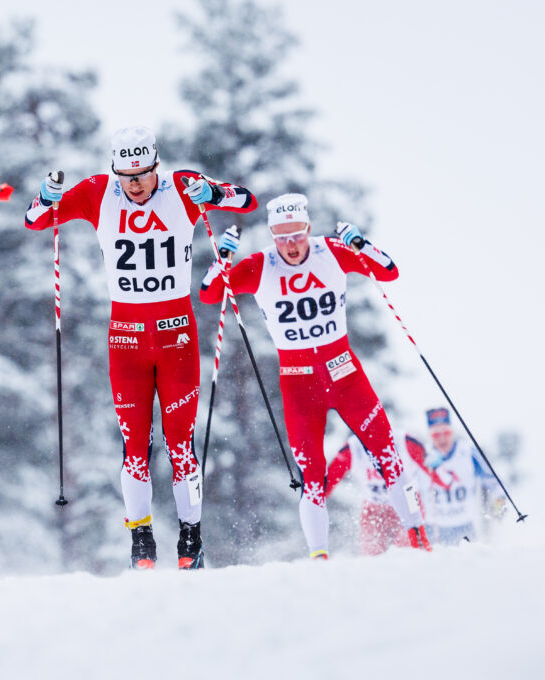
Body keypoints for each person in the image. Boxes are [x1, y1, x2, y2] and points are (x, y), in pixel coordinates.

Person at [24, 126, 257, 570]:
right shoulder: (98, 192)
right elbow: (36, 220)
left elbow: (245, 200)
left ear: (156, 166)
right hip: (126, 336)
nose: (134, 184)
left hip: (177, 336)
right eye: (126, 175)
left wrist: (211, 191)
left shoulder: (182, 188)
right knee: (135, 448)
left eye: (143, 174)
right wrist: (45, 195)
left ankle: (191, 538)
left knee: (180, 446)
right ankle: (141, 541)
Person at [199, 193, 432, 558]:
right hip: (298, 383)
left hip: (345, 374)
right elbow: (211, 295)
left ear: (308, 229)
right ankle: (319, 557)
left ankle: (419, 539)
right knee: (312, 477)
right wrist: (222, 258)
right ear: (273, 236)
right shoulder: (262, 265)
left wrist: (360, 243)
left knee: (388, 454)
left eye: (297, 235)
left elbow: (388, 271)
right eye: (282, 237)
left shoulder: (331, 252)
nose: (291, 246)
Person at [326, 429, 443, 555]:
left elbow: (440, 476)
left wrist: (437, 468)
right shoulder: (353, 449)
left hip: (409, 501)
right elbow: (326, 486)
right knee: (371, 550)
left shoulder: (404, 442)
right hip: (374, 505)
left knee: (408, 550)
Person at [419, 407, 506, 545]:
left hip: (465, 527)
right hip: (433, 529)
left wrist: (500, 501)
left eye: (446, 432)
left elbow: (494, 482)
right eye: (436, 434)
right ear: (430, 436)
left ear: (452, 432)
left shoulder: (468, 453)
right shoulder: (421, 456)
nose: (442, 438)